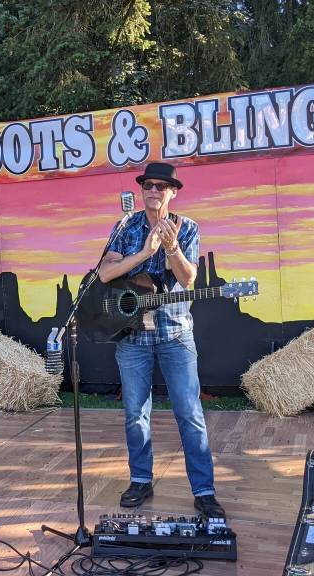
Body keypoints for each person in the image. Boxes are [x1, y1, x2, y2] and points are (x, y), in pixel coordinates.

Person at [96, 161, 225, 518]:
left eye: (161, 186)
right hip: (132, 335)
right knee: (135, 413)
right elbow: (105, 273)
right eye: (148, 185)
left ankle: (204, 490)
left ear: (173, 193)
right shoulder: (126, 226)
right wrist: (145, 253)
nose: (153, 191)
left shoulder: (188, 228)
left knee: (189, 412)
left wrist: (171, 248)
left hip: (175, 334)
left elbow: (188, 279)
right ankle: (140, 480)